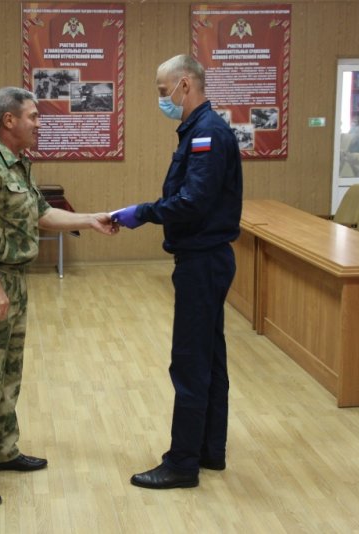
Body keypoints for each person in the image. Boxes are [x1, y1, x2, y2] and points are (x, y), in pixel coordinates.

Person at [0, 87, 117, 505]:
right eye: (33, 116)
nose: (39, 123)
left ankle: (2, 451)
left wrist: (90, 219)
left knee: (8, 370)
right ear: (9, 121)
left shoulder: (19, 164)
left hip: (14, 279)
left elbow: (41, 212)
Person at [111, 54, 243, 490]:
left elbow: (193, 201)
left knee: (189, 362)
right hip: (206, 259)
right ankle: (210, 449)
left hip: (203, 262)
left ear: (184, 85)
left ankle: (182, 463)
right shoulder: (201, 129)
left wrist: (143, 212)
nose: (160, 97)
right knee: (210, 358)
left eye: (161, 88)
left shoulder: (206, 133)